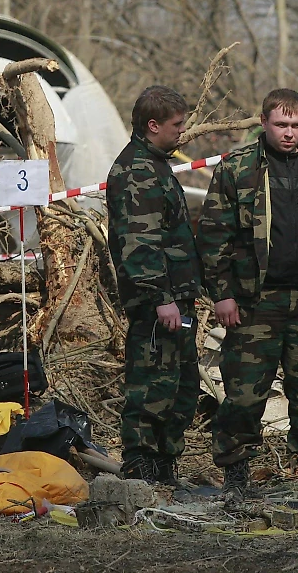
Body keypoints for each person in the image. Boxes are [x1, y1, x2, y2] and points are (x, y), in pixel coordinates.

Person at [198, 88, 298, 498]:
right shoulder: (237, 169)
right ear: (264, 123)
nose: (289, 133)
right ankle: (236, 472)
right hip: (256, 304)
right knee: (244, 395)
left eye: (297, 125)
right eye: (281, 125)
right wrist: (222, 295)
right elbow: (213, 237)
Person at [106, 85, 205, 485]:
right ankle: (141, 467)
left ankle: (165, 466)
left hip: (177, 298)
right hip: (156, 304)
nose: (182, 131)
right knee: (151, 388)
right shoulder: (136, 171)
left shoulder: (156, 164)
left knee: (180, 388)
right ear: (153, 125)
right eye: (176, 125)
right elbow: (138, 243)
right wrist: (161, 299)